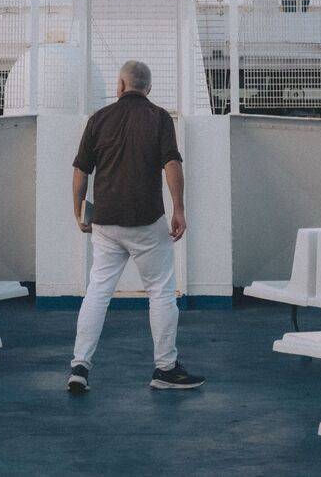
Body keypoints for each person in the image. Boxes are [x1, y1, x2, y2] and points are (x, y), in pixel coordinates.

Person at [67, 59, 205, 395]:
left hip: (105, 222)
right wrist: (179, 209)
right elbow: (171, 164)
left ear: (120, 85)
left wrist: (78, 211)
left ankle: (80, 367)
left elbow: (81, 171)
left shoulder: (99, 119)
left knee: (97, 292)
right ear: (149, 88)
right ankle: (165, 368)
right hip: (146, 221)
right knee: (160, 292)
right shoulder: (159, 118)